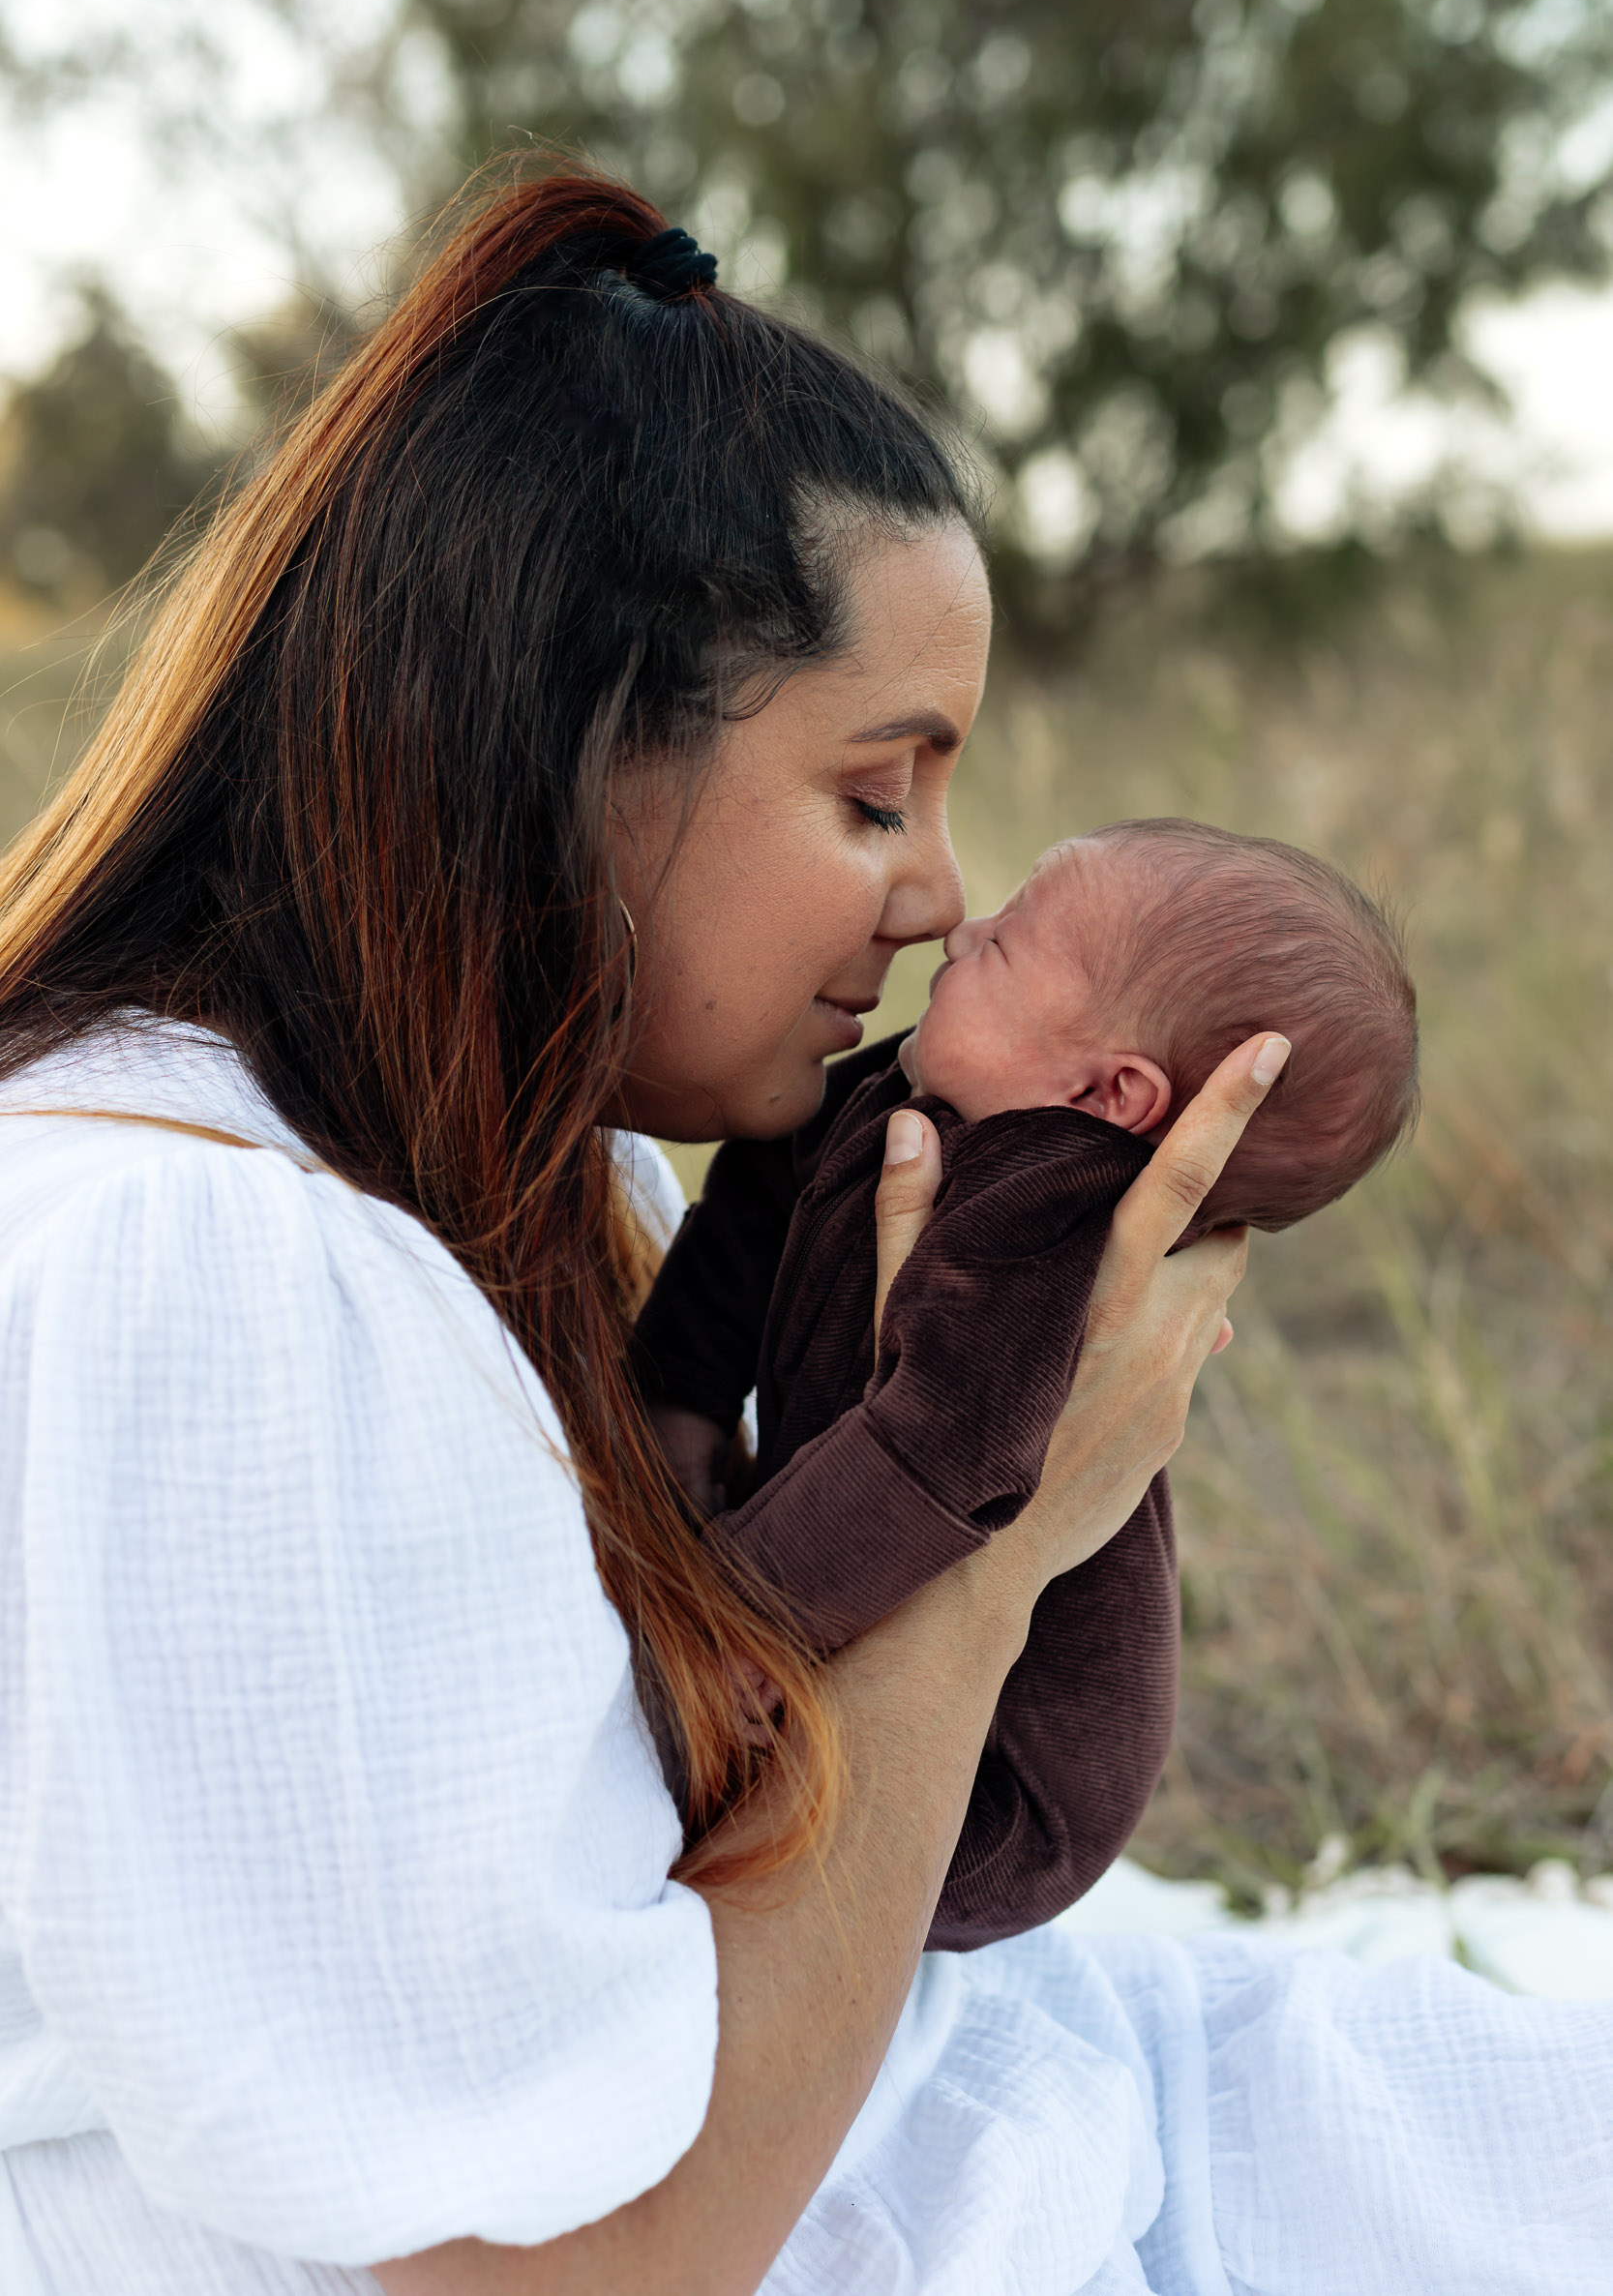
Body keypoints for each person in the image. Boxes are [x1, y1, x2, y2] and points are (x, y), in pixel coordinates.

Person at [0, 169, 1605, 2296]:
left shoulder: (506, 1174)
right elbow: (570, 2262)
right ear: (558, 753)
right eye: (873, 793)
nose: (940, 893)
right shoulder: (209, 1283)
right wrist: (1012, 1526)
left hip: (847, 2055)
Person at [630, 820, 1419, 1951]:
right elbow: (765, 1186)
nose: (965, 925)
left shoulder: (1045, 1217)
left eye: (1008, 943)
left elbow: (940, 1451)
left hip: (1000, 1790)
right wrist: (681, 1399)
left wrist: (728, 1629)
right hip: (861, 1637)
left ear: (1105, 1095)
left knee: (735, 1849)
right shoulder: (943, 1083)